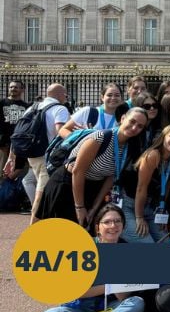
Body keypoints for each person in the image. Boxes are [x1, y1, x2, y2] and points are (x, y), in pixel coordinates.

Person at [36, 107, 148, 226]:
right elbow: (78, 171)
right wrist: (79, 207)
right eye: (132, 121)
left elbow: (112, 176)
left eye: (140, 126)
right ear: (123, 118)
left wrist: (95, 207)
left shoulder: (129, 147)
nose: (135, 127)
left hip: (92, 189)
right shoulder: (100, 137)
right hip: (67, 187)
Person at [40, 205, 145, 312]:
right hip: (79, 307)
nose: (113, 226)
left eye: (117, 221)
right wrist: (108, 286)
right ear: (97, 227)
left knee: (137, 303)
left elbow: (122, 296)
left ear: (123, 226)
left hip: (109, 307)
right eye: (107, 222)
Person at [6, 83, 69, 223]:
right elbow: (60, 131)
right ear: (59, 94)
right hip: (48, 156)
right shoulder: (60, 109)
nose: (66, 97)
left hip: (32, 155)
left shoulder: (32, 108)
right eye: (65, 94)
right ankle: (33, 231)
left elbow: (18, 133)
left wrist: (11, 157)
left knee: (41, 188)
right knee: (41, 196)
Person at [124, 124, 170, 243]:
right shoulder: (153, 155)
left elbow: (165, 189)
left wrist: (162, 214)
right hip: (131, 205)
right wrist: (139, 217)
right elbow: (141, 188)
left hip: (151, 208)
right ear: (163, 137)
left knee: (165, 242)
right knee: (147, 243)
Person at [59, 83, 124, 139]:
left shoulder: (124, 118)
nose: (113, 98)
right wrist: (79, 138)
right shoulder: (88, 111)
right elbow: (63, 130)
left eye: (117, 95)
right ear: (102, 97)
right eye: (109, 95)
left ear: (121, 98)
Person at [0, 81, 29, 174]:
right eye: (11, 87)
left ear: (22, 90)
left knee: (17, 170)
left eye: (16, 87)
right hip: (3, 143)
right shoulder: (2, 103)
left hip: (19, 143)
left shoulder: (26, 106)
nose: (13, 89)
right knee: (2, 170)